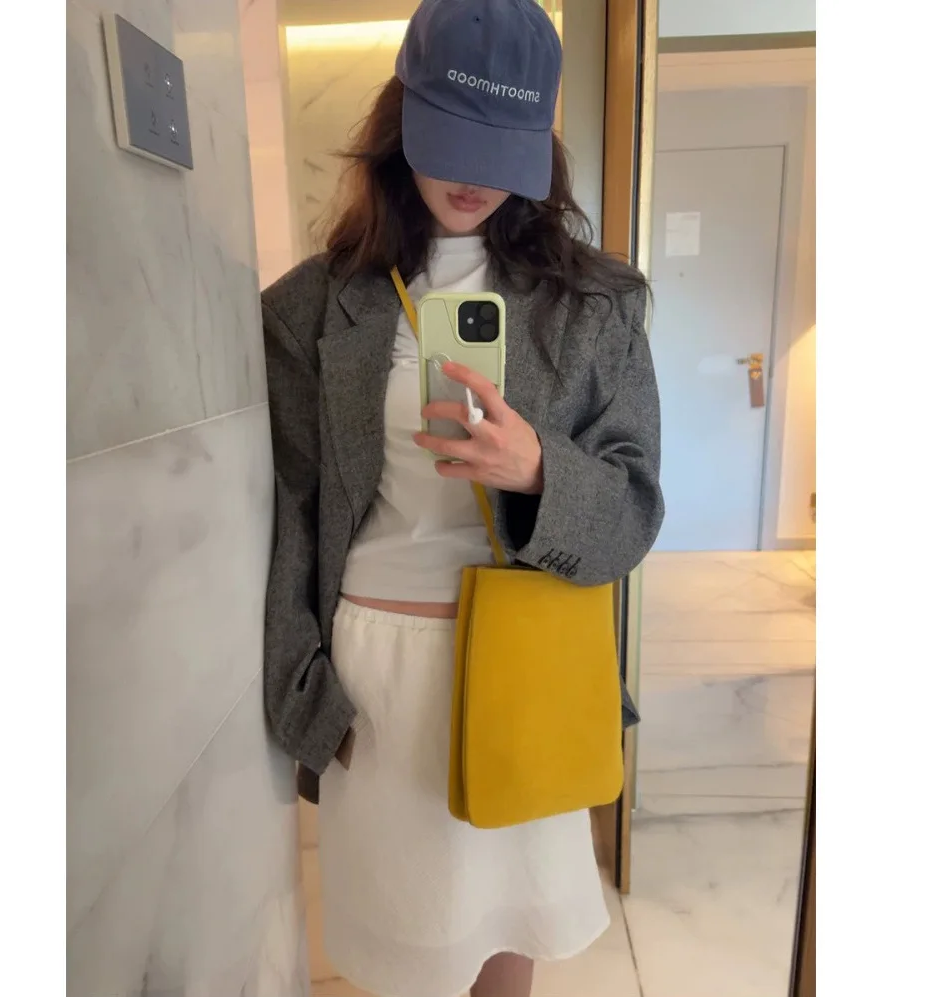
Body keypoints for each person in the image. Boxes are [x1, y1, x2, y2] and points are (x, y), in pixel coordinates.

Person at [260, 1, 664, 994]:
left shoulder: (596, 305)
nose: (473, 177)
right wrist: (305, 688)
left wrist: (539, 474)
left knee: (506, 940)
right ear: (400, 122)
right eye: (452, 143)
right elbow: (292, 514)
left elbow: (631, 513)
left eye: (499, 150)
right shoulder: (309, 309)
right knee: (402, 956)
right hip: (379, 679)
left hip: (529, 663)